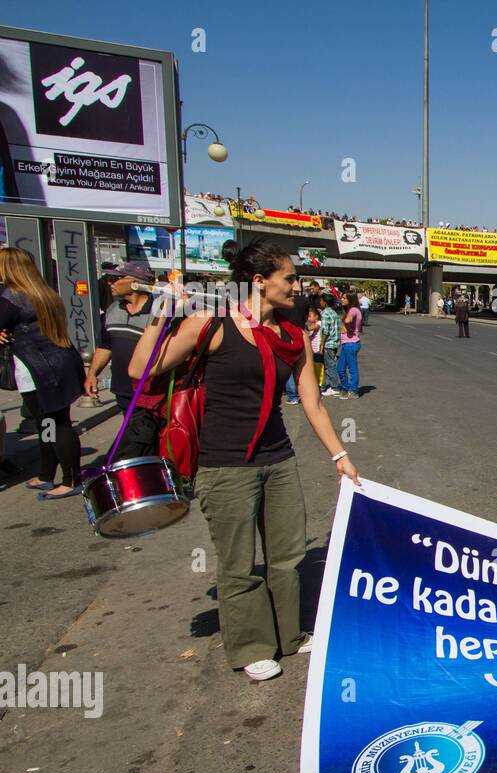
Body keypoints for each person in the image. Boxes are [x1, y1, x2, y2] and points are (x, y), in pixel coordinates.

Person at [127, 238, 360, 681]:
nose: (297, 286)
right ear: (258, 281)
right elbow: (142, 370)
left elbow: (312, 402)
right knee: (238, 563)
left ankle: (289, 635)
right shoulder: (209, 325)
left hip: (279, 460)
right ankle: (252, 645)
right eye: (289, 278)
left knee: (288, 556)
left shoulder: (292, 337)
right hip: (225, 465)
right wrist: (160, 316)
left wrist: (340, 455)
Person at [0, 248, 86, 499]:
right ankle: (47, 472)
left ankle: (71, 479)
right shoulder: (44, 293)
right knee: (47, 422)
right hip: (59, 362)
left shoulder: (12, 296)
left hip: (39, 369)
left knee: (55, 423)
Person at [84, 262, 159, 415]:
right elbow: (105, 346)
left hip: (150, 393)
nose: (109, 282)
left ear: (135, 283)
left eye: (115, 278)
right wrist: (92, 373)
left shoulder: (159, 313)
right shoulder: (112, 310)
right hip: (122, 391)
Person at [337, 293, 363, 398]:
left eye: (344, 298)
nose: (341, 299)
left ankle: (353, 391)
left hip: (351, 343)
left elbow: (348, 320)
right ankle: (345, 388)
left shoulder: (353, 310)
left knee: (352, 369)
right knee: (340, 368)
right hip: (346, 343)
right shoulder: (352, 310)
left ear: (350, 299)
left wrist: (345, 323)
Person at [319, 293, 342, 396]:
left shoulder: (325, 313)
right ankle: (325, 386)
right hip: (336, 342)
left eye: (321, 300)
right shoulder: (334, 313)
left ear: (324, 302)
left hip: (328, 343)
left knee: (330, 365)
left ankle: (335, 387)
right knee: (329, 364)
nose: (320, 302)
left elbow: (325, 331)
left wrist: (321, 344)